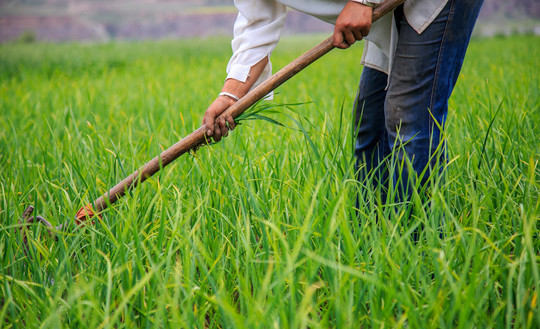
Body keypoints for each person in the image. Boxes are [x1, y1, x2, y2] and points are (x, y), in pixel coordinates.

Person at [203, 0, 483, 204]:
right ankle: (374, 245)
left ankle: (422, 253)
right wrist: (230, 95)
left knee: (409, 119)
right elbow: (257, 22)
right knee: (370, 124)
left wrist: (364, 1)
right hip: (388, 12)